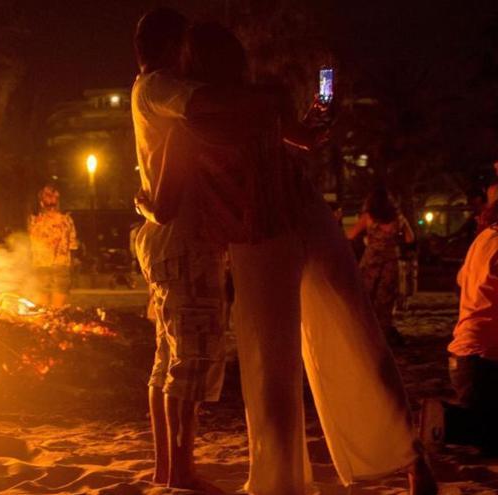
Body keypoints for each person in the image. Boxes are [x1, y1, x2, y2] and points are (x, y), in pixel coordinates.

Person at [136, 17, 437, 495]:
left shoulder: (191, 122)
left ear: (192, 62)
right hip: (307, 214)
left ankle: (280, 482)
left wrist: (144, 203)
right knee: (357, 330)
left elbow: (167, 198)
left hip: (258, 238)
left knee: (270, 369)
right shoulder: (262, 100)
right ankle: (410, 458)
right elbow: (309, 137)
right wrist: (323, 96)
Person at [130, 9, 228, 491]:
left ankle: (167, 468)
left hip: (166, 244)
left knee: (168, 359)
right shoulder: (163, 91)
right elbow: (207, 102)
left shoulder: (149, 93)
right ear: (173, 48)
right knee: (187, 362)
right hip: (185, 243)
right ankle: (181, 470)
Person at [420, 200, 498, 456]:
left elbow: (460, 280)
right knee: (489, 435)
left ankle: (448, 419)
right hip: (484, 358)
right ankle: (444, 420)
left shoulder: (483, 239)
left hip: (465, 355)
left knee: (485, 426)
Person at [346, 187, 415, 344]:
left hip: (371, 261)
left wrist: (366, 240)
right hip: (390, 262)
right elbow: (410, 238)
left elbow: (350, 235)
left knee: (365, 298)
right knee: (385, 301)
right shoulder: (399, 218)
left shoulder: (368, 218)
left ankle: (364, 335)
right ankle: (382, 336)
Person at [28, 185, 78, 307]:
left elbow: (31, 245)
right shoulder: (66, 221)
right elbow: (72, 246)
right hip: (61, 265)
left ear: (41, 203)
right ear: (58, 202)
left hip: (40, 266)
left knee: (42, 308)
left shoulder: (34, 222)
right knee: (57, 310)